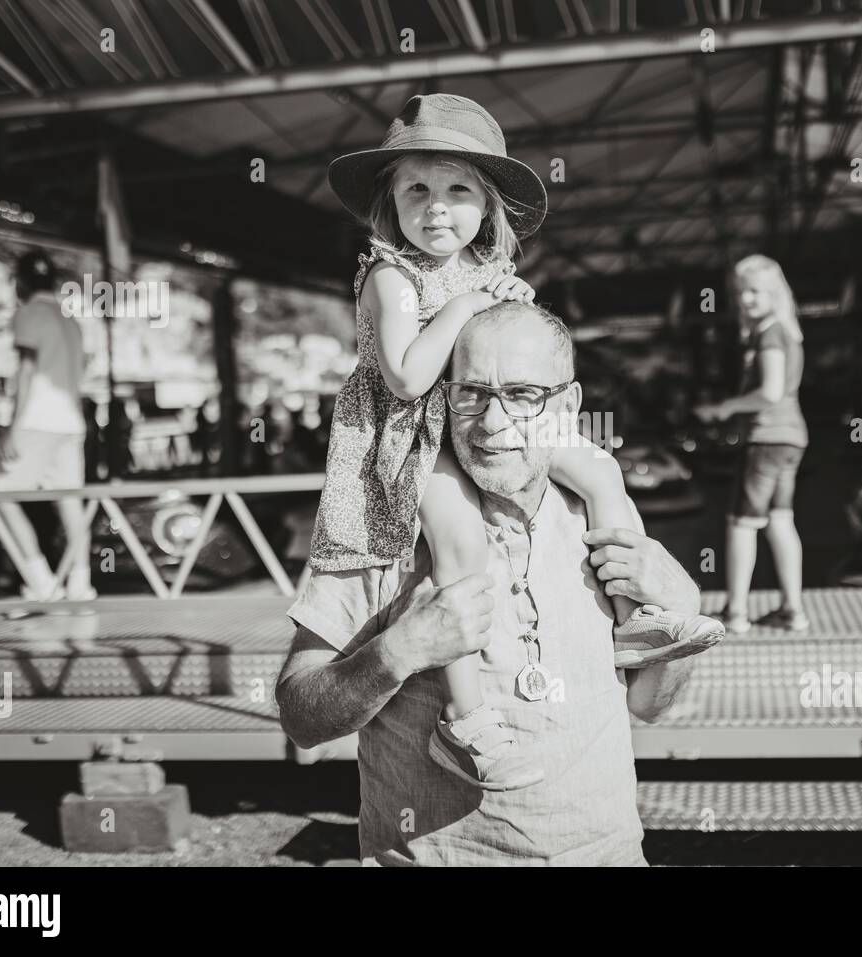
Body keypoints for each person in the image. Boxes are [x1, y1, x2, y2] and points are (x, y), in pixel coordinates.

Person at [308, 93, 723, 792]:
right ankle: (467, 722)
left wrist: (505, 309)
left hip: (481, 415)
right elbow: (406, 378)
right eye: (416, 190)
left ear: (486, 205)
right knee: (460, 543)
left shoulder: (482, 271)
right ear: (391, 201)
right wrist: (469, 307)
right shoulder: (391, 276)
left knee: (601, 470)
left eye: (457, 191)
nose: (436, 208)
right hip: (415, 435)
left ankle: (638, 620)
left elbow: (512, 349)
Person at [278, 301, 711, 865]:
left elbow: (649, 705)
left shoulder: (603, 516)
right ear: (444, 398)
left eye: (524, 394)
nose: (491, 422)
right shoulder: (382, 529)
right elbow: (301, 718)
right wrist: (397, 653)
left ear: (569, 405)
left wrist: (682, 604)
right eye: (472, 393)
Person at [695, 255, 809, 633]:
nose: (745, 299)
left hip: (767, 437)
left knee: (741, 523)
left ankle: (737, 613)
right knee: (779, 520)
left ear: (774, 293)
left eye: (755, 292)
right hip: (791, 438)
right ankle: (793, 610)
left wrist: (726, 407)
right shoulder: (788, 331)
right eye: (742, 292)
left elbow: (771, 392)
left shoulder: (769, 333)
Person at [0, 249, 95, 605]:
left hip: (36, 421)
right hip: (71, 423)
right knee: (70, 502)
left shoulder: (28, 314)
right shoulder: (71, 321)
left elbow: (27, 371)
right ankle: (80, 584)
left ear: (20, 282)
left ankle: (41, 581)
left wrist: (12, 427)